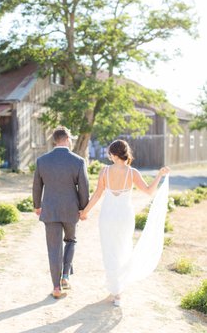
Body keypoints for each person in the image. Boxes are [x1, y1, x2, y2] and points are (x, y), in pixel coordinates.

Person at [80, 139, 170, 307]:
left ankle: (115, 290)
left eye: (109, 153)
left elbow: (98, 195)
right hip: (125, 216)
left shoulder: (104, 171)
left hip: (107, 216)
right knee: (123, 249)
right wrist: (159, 175)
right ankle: (118, 293)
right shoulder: (132, 172)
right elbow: (150, 191)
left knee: (110, 251)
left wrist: (85, 212)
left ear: (113, 155)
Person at [32, 126, 89, 299]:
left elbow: (37, 186)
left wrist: (37, 205)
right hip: (71, 210)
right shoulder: (78, 161)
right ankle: (65, 276)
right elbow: (84, 189)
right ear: (67, 139)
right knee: (71, 240)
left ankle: (56, 287)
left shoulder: (42, 161)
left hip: (50, 209)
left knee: (53, 248)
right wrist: (83, 209)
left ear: (55, 140)